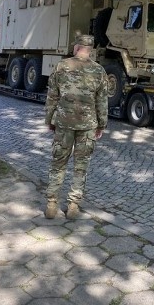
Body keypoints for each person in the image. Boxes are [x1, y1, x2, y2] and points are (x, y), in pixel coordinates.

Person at [43, 34, 108, 219]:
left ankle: (51, 204)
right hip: (87, 126)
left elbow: (52, 96)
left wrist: (49, 120)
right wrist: (101, 125)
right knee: (81, 166)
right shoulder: (99, 71)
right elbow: (102, 102)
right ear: (90, 50)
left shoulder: (61, 66)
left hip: (64, 123)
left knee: (58, 163)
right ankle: (73, 206)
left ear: (76, 48)